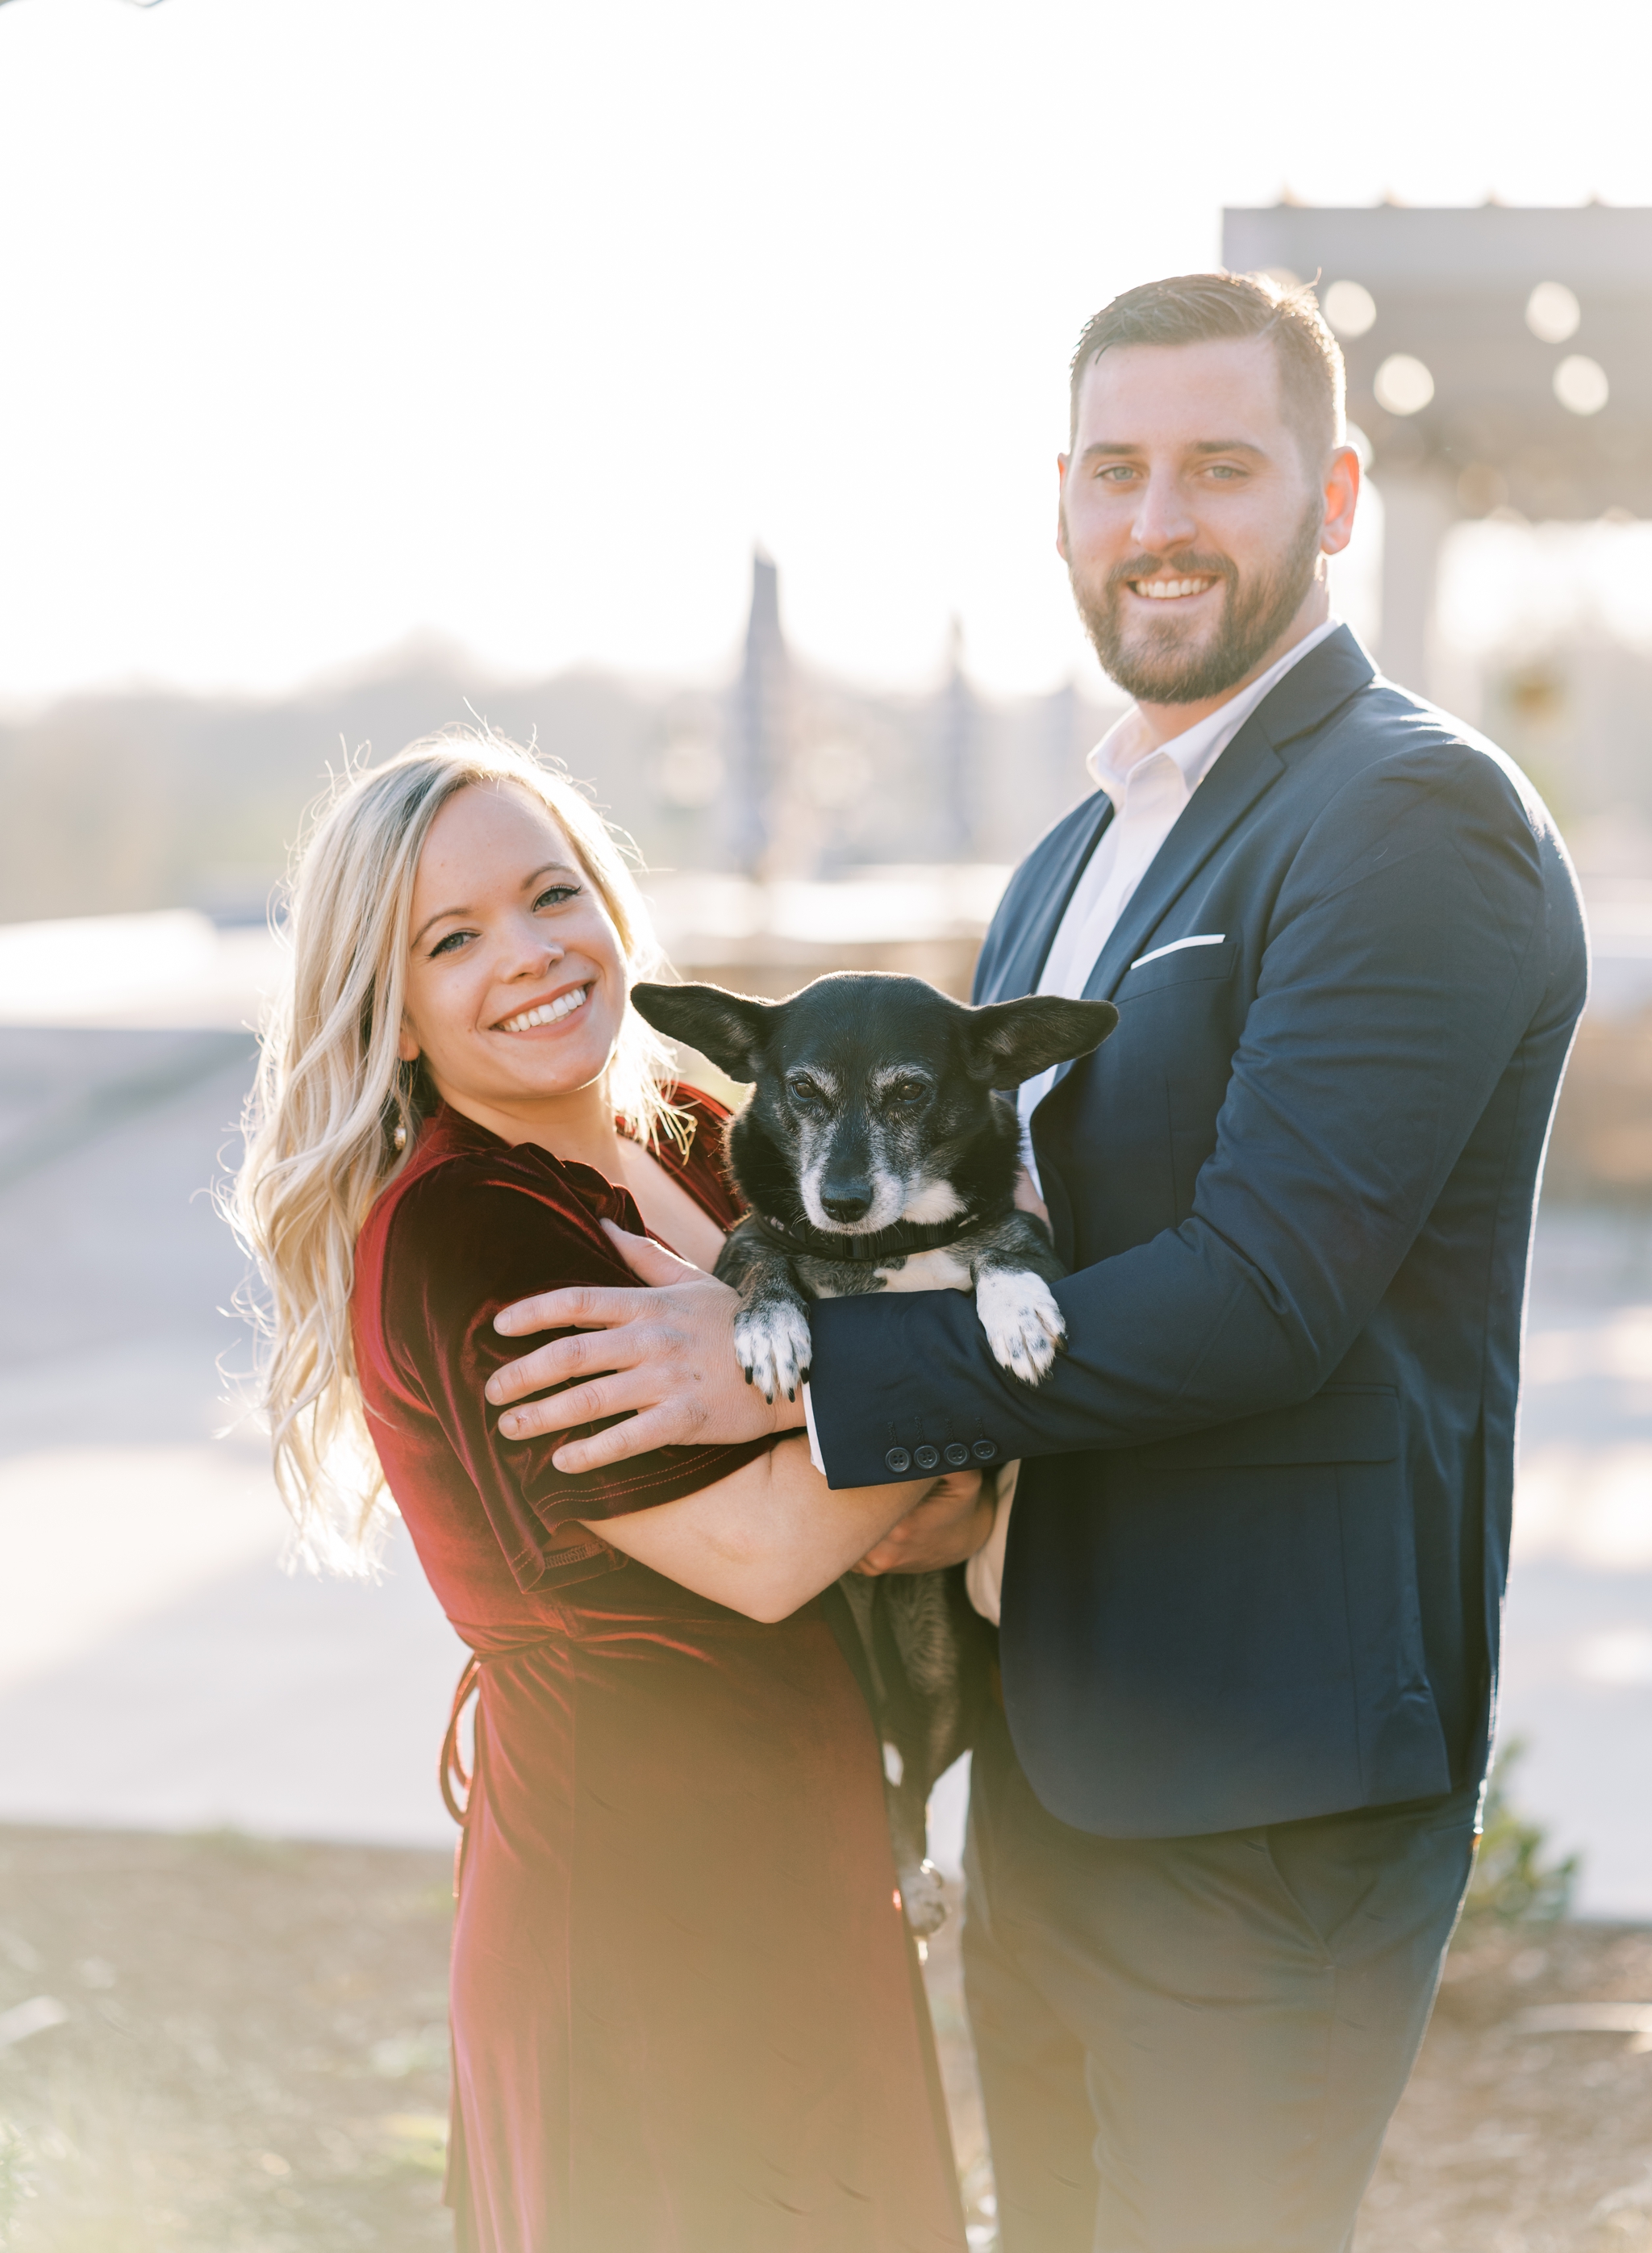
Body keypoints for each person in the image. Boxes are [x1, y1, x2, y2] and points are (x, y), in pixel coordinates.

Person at [479, 273, 1590, 2252]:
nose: (1158, 516)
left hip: (1263, 1776)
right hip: (1053, 1753)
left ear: (1334, 494)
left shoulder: (1406, 816)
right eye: (1115, 469)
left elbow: (1265, 1285)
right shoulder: (1071, 859)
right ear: (1062, 504)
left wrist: (786, 1379)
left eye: (1220, 466)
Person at [230, 728, 987, 2253]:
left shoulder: (715, 1144)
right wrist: (958, 1367)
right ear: (395, 1011)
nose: (530, 953)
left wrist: (889, 1422)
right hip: (639, 1902)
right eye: (451, 937)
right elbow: (778, 1549)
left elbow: (943, 1519)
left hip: (817, 1843)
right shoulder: (467, 1232)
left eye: (550, 892)